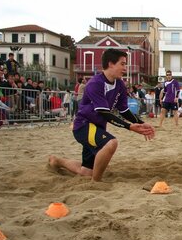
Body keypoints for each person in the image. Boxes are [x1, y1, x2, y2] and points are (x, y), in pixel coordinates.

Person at [48, 49, 155, 181]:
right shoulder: (95, 84)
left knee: (86, 171)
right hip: (83, 126)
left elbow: (123, 110)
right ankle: (96, 183)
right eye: (122, 64)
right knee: (111, 143)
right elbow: (104, 113)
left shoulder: (120, 84)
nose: (125, 68)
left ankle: (57, 161)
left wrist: (142, 123)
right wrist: (129, 126)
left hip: (98, 128)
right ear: (111, 64)